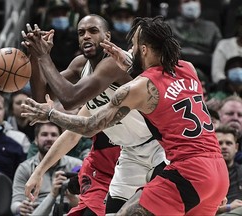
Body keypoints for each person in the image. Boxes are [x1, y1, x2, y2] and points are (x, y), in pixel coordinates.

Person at [21, 16, 229, 215]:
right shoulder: (188, 68)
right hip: (211, 168)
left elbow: (84, 119)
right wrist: (35, 57)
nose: (130, 50)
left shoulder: (132, 82)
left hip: (166, 156)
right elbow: (46, 97)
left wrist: (50, 113)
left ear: (144, 50)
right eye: (81, 32)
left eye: (134, 46)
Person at [22, 14, 167, 215]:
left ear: (107, 36)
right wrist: (35, 56)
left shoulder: (114, 63)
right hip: (130, 153)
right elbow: (42, 96)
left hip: (159, 147)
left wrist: (44, 57)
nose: (86, 36)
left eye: (93, 31)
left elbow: (69, 98)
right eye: (81, 33)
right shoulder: (81, 65)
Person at [11, 122, 82, 216]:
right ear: (36, 140)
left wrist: (69, 194)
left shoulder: (76, 165)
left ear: (61, 140)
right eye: (44, 134)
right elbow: (15, 203)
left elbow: (85, 204)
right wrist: (20, 207)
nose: (49, 138)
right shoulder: (24, 168)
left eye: (54, 135)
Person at [166, 0, 222, 75]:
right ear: (179, 7)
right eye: (186, 1)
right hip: (177, 68)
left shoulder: (211, 27)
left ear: (200, 5)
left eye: (194, 0)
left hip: (206, 68)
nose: (191, 5)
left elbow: (220, 51)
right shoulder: (168, 26)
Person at [211, 5, 242, 84]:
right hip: (228, 89)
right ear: (238, 25)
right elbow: (216, 74)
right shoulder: (224, 45)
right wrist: (229, 84)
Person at [216, 125, 242, 215]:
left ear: (236, 147)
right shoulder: (204, 174)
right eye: (220, 143)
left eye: (229, 143)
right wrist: (228, 207)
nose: (224, 147)